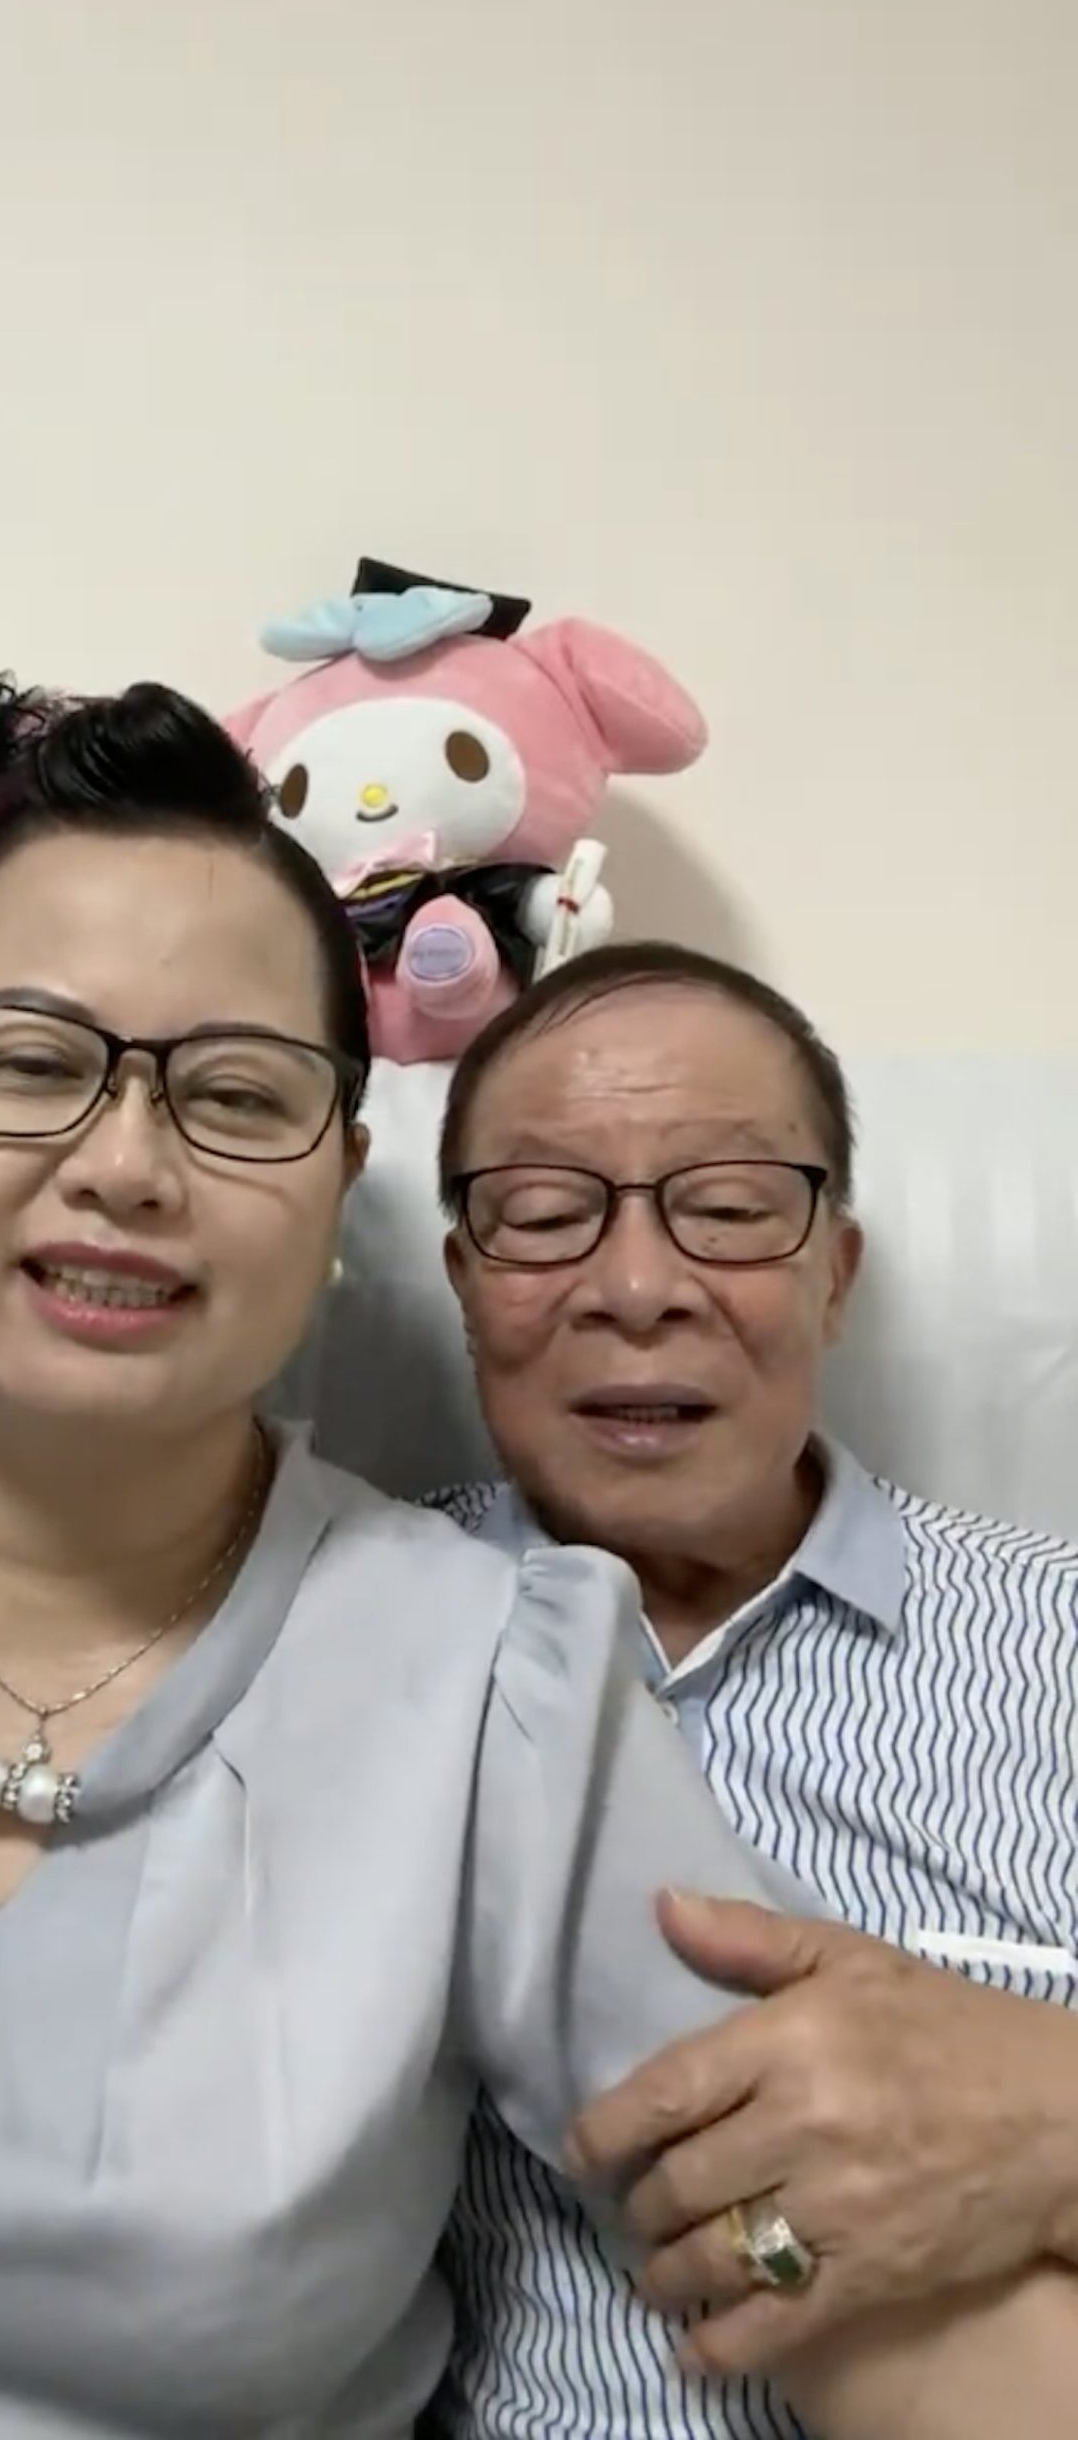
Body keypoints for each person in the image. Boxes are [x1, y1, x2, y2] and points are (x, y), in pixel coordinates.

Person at [0, 680, 1069, 2440]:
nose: (124, 1165)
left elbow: (856, 2275)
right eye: (31, 1063)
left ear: (335, 1188)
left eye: (237, 1096)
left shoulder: (496, 1682)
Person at [421, 939, 1078, 2439]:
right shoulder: (348, 1630)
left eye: (726, 1209)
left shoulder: (1057, 1638)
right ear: (464, 1283)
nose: (636, 1288)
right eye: (544, 1215)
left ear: (834, 1274)